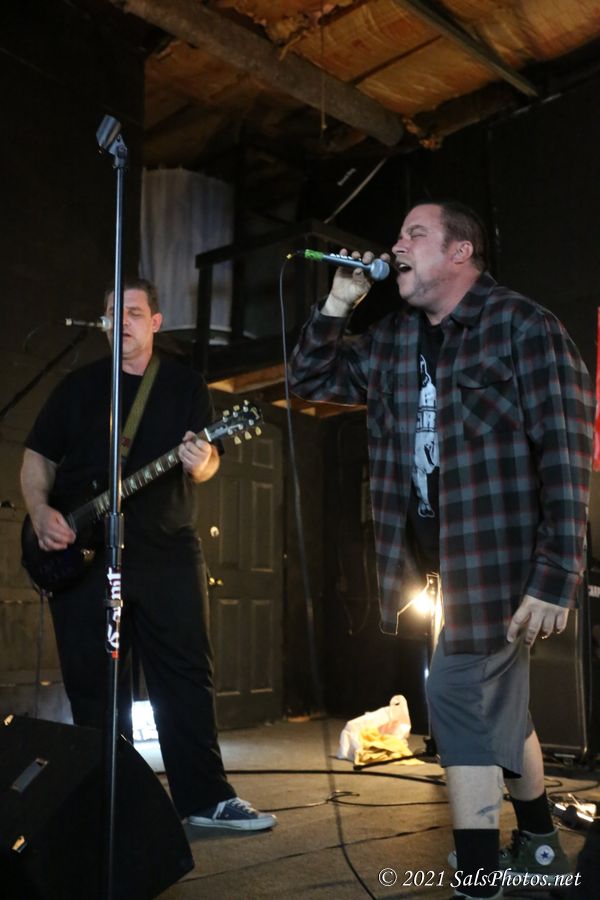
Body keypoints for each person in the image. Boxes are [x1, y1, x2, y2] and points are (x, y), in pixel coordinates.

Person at [288, 201, 593, 899]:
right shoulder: (393, 339)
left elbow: (567, 451)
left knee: (455, 693)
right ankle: (541, 845)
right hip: (438, 565)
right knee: (498, 709)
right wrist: (337, 303)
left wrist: (557, 574)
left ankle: (480, 877)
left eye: (414, 234)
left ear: (460, 253)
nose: (396, 245)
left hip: (500, 560)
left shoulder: (522, 325)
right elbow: (309, 381)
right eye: (397, 234)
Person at [20, 277, 277, 832]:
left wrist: (201, 460)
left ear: (156, 323)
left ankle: (206, 799)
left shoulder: (184, 385)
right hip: (86, 555)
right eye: (113, 312)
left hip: (168, 551)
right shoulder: (77, 387)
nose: (123, 321)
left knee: (186, 675)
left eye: (134, 312)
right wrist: (40, 513)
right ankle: (109, 803)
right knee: (94, 683)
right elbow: (37, 458)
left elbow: (208, 465)